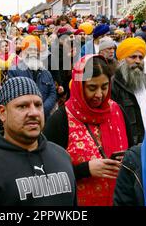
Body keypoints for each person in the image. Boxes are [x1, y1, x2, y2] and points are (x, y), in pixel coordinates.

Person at [0, 77, 77, 206]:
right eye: (22, 106)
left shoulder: (61, 157)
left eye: (38, 105)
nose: (34, 112)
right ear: (2, 113)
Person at [44, 55, 129, 206]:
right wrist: (85, 170)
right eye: (92, 88)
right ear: (79, 86)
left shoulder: (116, 111)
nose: (99, 95)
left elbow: (133, 151)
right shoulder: (61, 119)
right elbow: (45, 175)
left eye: (104, 87)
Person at [111, 38, 146, 145]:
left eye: (141, 57)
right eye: (133, 57)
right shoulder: (113, 85)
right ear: (122, 60)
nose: (137, 61)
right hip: (129, 146)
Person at [8, 35, 57, 120]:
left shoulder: (46, 73)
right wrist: (30, 110)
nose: (33, 52)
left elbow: (52, 93)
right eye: (30, 49)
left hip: (44, 117)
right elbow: (14, 95)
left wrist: (42, 109)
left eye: (36, 50)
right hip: (23, 117)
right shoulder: (14, 71)